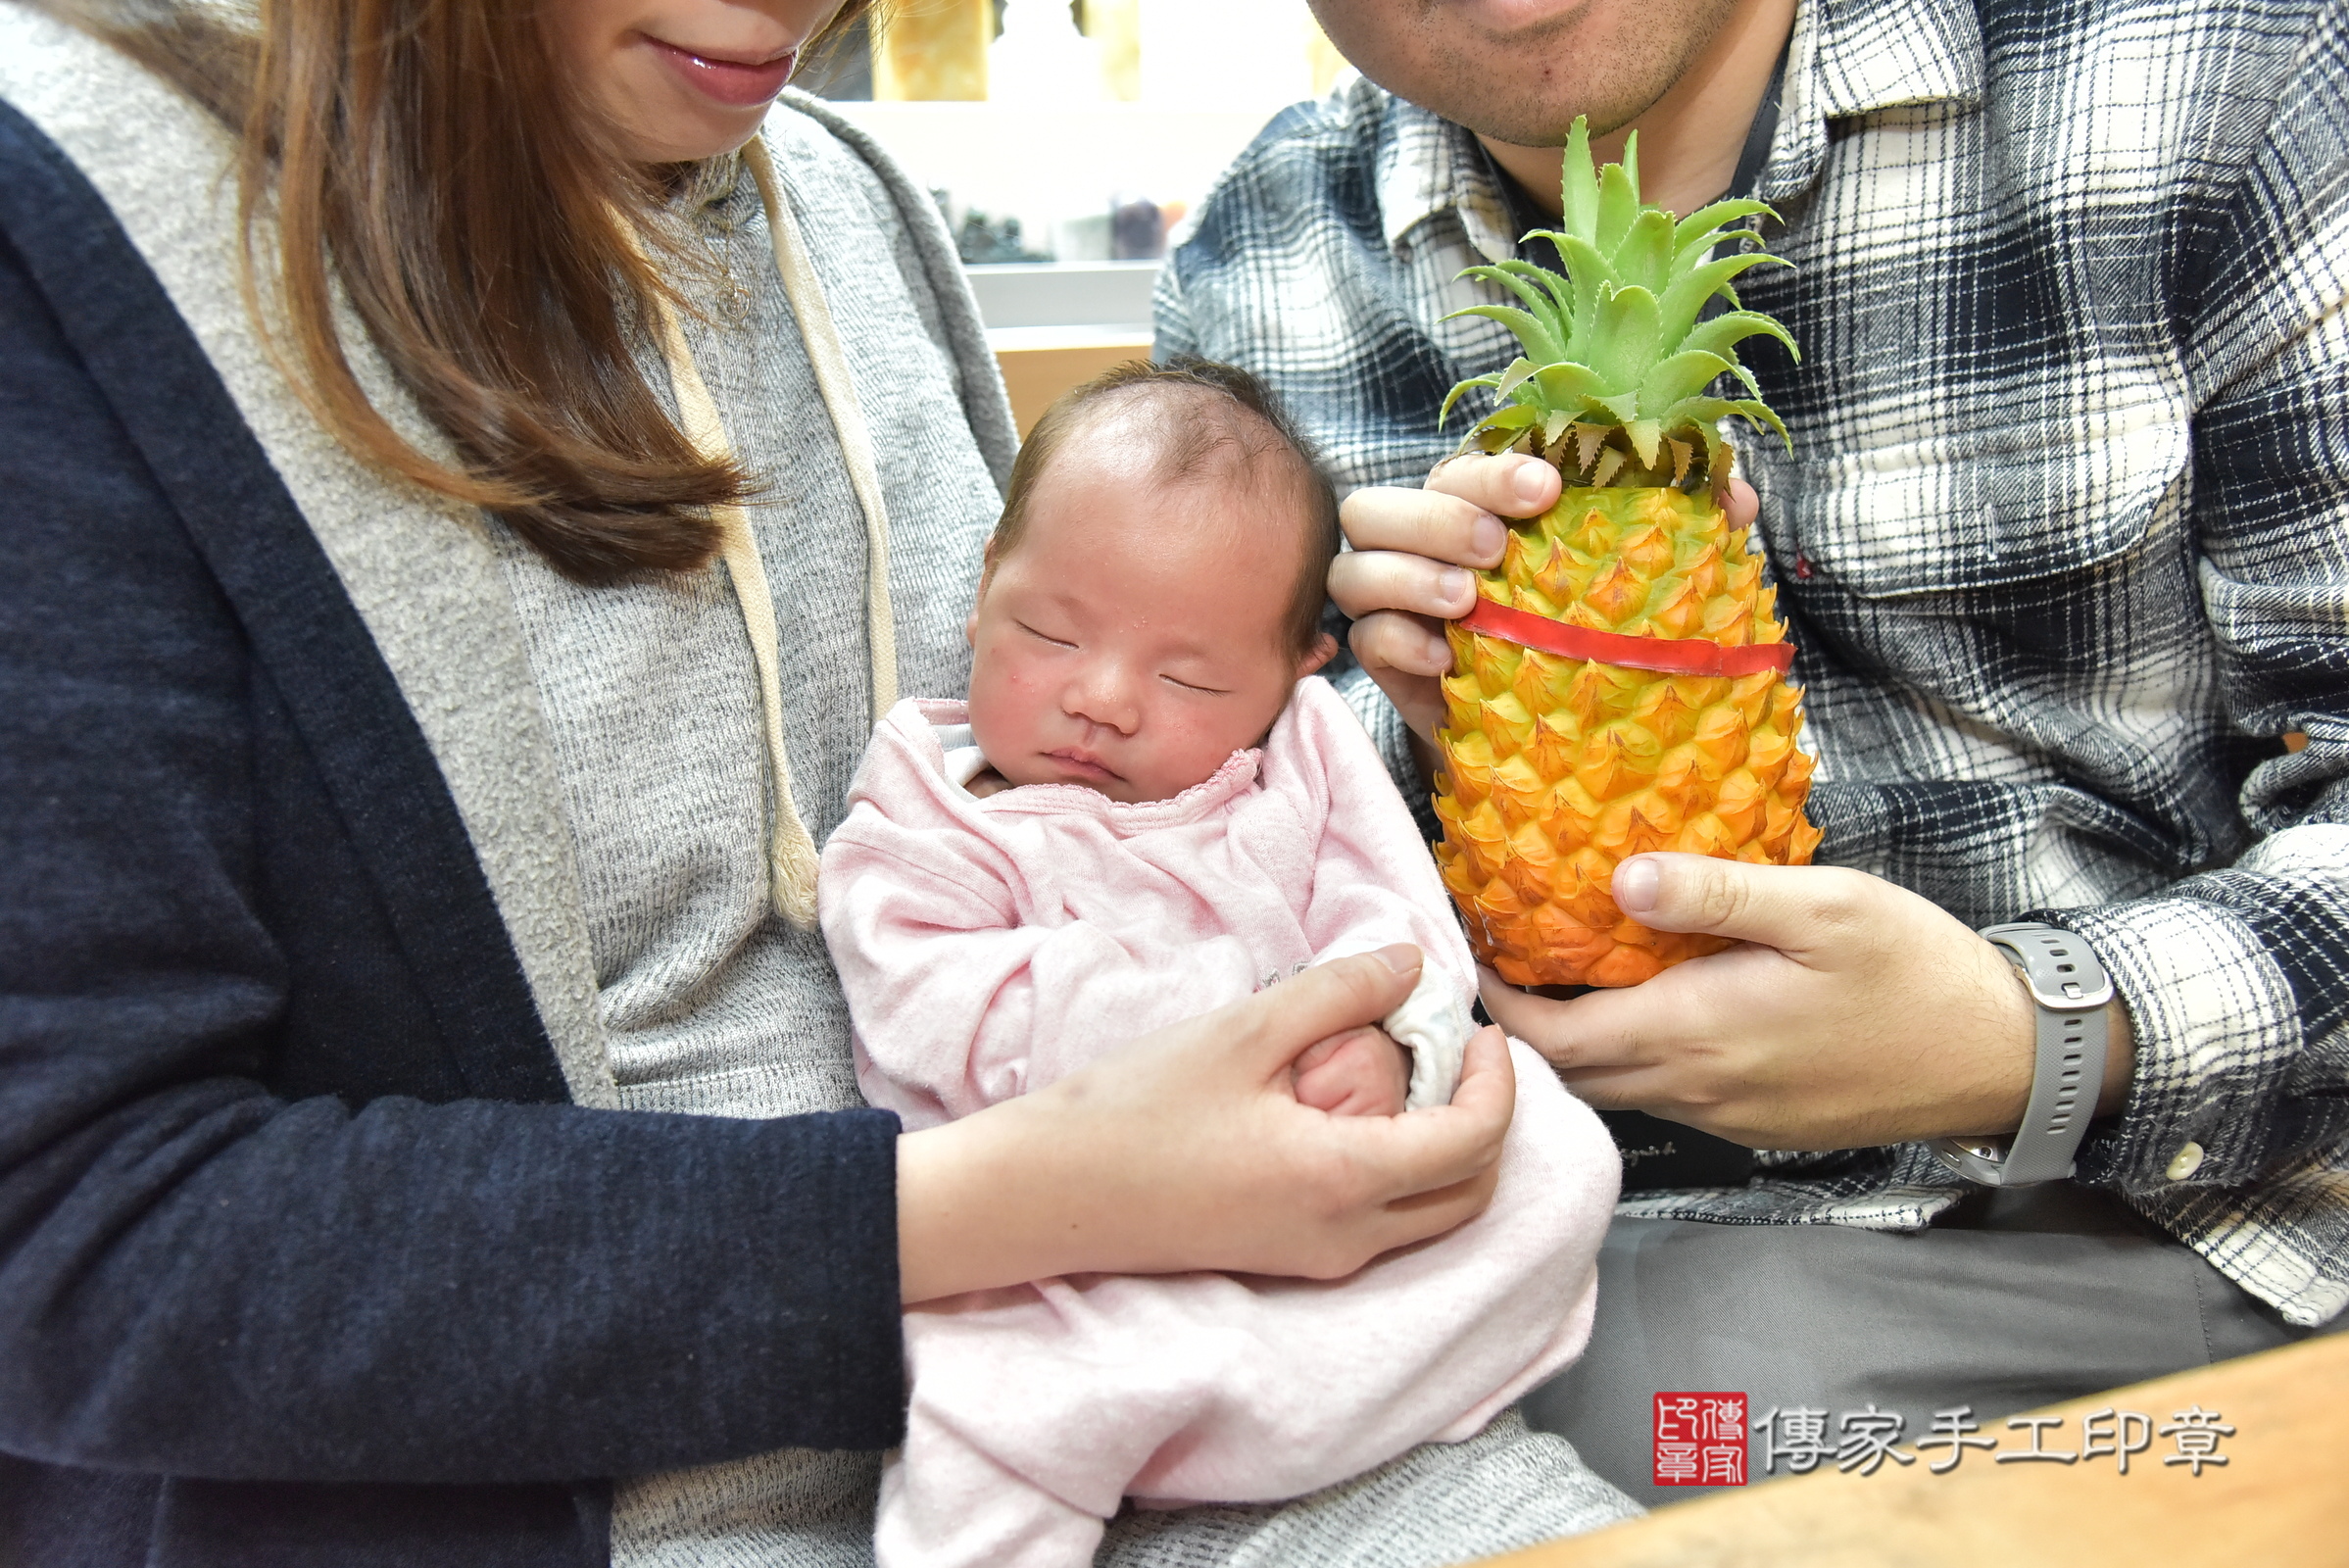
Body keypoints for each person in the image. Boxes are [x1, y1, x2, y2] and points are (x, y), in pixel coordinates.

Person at [0, 3, 1607, 1564]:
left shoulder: (837, 202)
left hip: (1205, 1404)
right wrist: (1013, 1208)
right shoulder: (79, 222)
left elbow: (1107, 808)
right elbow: (70, 1252)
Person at [1156, 0, 2349, 1506]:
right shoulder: (1261, 252)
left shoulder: (2213, 72)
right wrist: (1384, 760)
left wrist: (2026, 1037)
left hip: (2144, 1209)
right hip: (1504, 1215)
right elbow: (1181, 876)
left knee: (1649, 1425)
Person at [817, 362, 1626, 1566]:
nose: (1099, 698)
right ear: (987, 589)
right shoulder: (926, 822)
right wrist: (1243, 1029)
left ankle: (1333, 1398)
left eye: (1188, 676)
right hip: (1067, 1241)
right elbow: (937, 1018)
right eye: (1048, 632)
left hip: (1318, 1187)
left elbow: (1398, 934)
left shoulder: (1297, 764)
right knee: (988, 1391)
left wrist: (1386, 1047)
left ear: (1297, 672)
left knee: (1558, 1150)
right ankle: (1138, 1444)